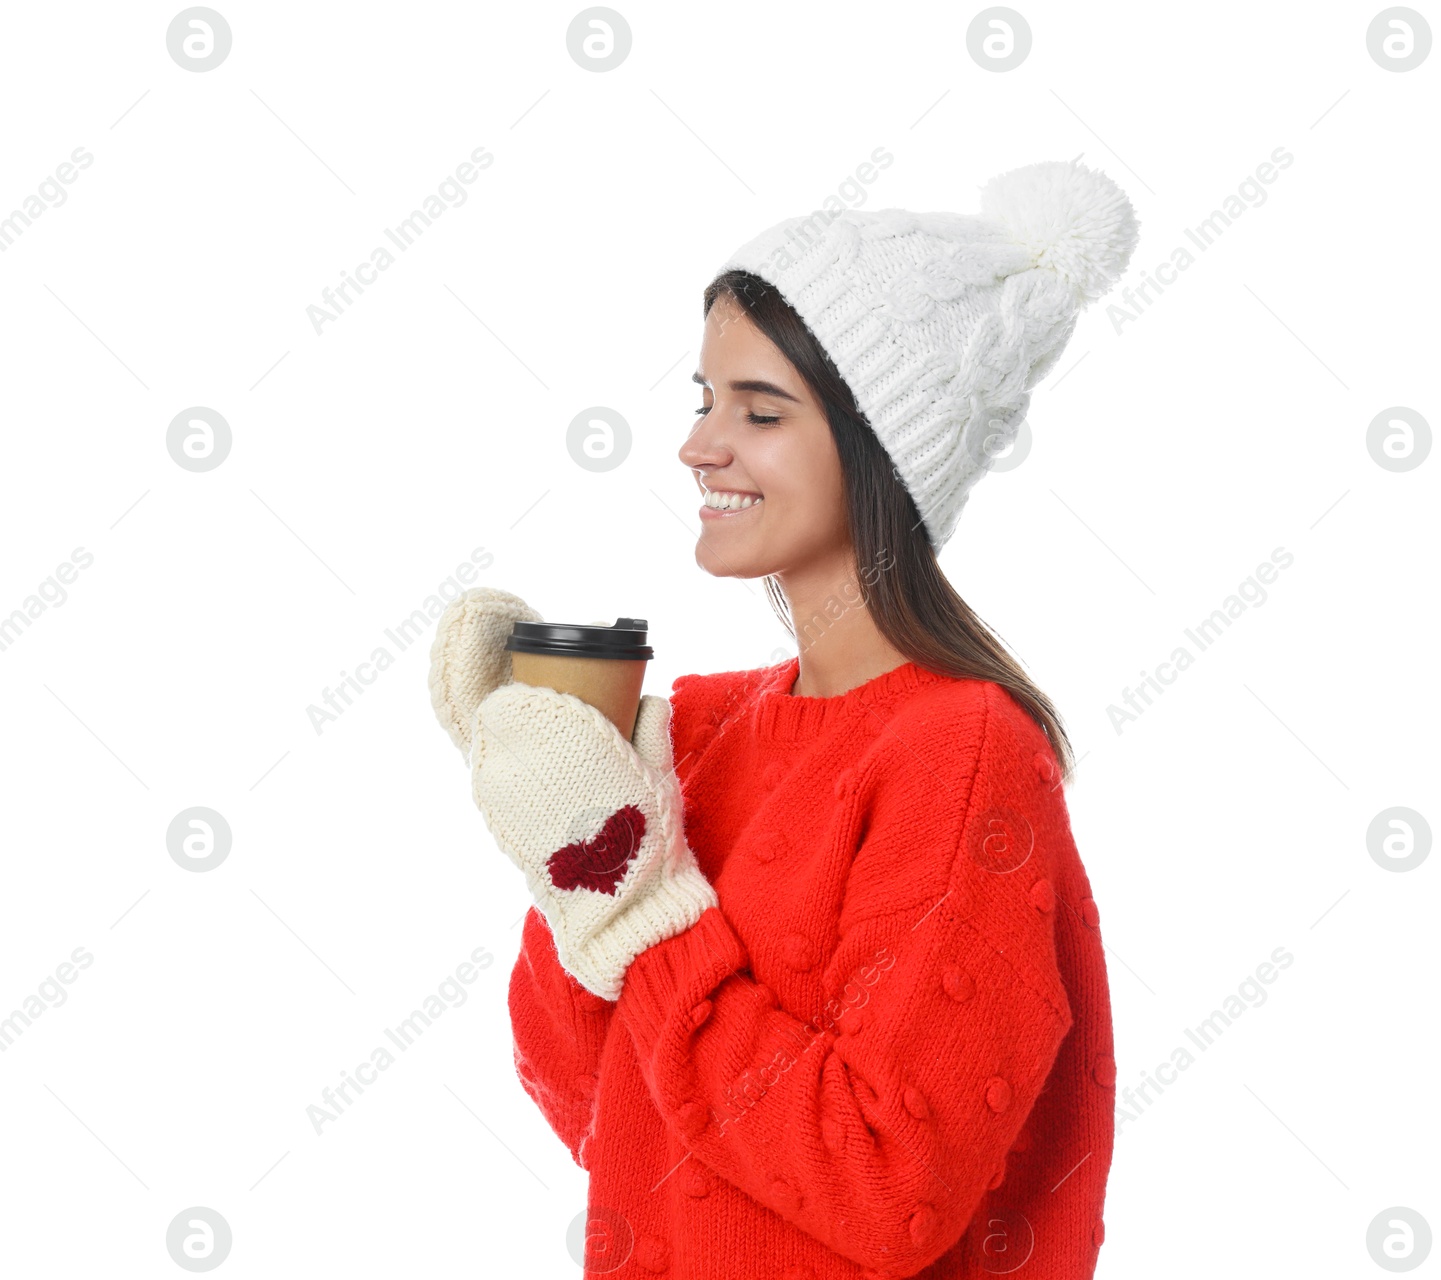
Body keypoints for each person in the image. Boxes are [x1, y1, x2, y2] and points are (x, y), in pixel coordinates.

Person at [428, 157, 1138, 1278]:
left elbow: (885, 1186)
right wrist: (565, 836)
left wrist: (647, 904)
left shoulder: (964, 751)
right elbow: (593, 1107)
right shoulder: (702, 731)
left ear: (882, 453)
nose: (701, 445)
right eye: (705, 399)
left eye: (761, 410)